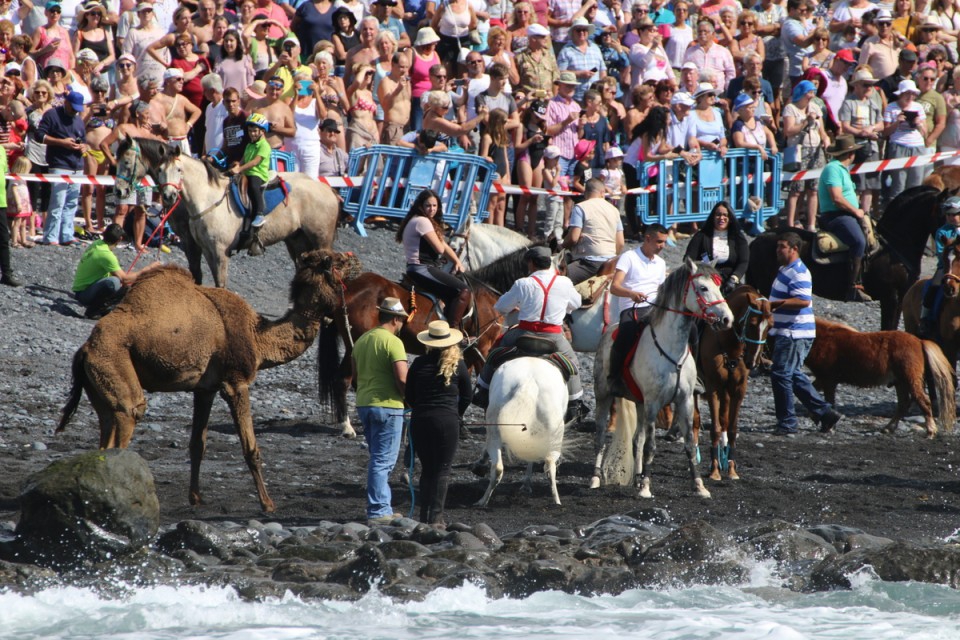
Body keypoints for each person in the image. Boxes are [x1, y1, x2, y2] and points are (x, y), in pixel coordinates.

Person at [473, 245, 586, 422]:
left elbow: (501, 307)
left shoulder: (523, 283)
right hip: (554, 337)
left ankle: (482, 389)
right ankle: (575, 403)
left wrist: (517, 305)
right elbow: (577, 303)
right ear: (549, 263)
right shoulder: (564, 282)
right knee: (573, 363)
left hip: (523, 333)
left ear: (531, 264)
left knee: (494, 352)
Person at [768, 231, 844, 435]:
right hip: (788, 331)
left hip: (794, 332)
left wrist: (773, 305)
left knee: (781, 374)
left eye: (782, 246)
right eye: (778, 246)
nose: (778, 250)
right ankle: (825, 413)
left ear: (794, 249)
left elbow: (803, 300)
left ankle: (787, 422)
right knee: (791, 374)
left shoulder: (799, 272)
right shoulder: (786, 269)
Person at [405, 320, 472, 529]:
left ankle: (423, 517)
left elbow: (409, 396)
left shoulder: (417, 364)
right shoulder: (458, 365)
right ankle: (436, 519)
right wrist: (456, 414)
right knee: (442, 470)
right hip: (446, 422)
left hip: (420, 420)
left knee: (427, 470)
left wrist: (422, 408)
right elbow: (468, 396)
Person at [352, 296, 408, 527]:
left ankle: (382, 506)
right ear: (395, 319)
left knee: (378, 458)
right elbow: (402, 379)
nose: (403, 324)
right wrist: (411, 399)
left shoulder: (362, 340)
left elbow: (355, 378)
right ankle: (378, 511)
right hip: (388, 405)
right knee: (383, 461)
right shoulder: (393, 342)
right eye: (402, 320)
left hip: (365, 403)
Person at [606, 223, 668, 397]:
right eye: (659, 242)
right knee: (627, 331)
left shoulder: (661, 263)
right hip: (633, 306)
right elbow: (614, 287)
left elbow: (661, 289)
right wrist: (631, 294)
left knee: (689, 327)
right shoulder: (629, 257)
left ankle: (693, 375)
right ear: (648, 239)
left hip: (655, 306)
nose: (662, 246)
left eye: (664, 242)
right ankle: (614, 377)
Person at [395, 189, 470, 326]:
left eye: (435, 206)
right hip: (422, 268)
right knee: (463, 290)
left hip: (417, 268)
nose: (432, 209)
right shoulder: (423, 221)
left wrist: (457, 262)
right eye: (428, 205)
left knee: (450, 294)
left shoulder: (418, 219)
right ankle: (454, 331)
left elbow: (444, 245)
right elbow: (440, 248)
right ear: (421, 206)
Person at [71, 223, 161, 319]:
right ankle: (93, 311)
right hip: (84, 294)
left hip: (82, 289)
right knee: (114, 282)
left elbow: (123, 277)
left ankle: (104, 308)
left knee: (121, 284)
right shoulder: (106, 254)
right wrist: (148, 269)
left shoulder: (97, 243)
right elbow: (124, 279)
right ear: (120, 239)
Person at [38, 90, 86, 246]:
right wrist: (62, 142)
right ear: (66, 102)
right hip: (59, 165)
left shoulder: (79, 121)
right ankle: (50, 236)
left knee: (71, 203)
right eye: (73, 108)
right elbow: (39, 135)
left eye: (78, 109)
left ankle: (66, 234)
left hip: (77, 166)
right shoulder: (52, 115)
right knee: (57, 202)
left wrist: (84, 147)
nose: (75, 112)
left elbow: (84, 140)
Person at [562, 177, 624, 284]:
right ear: (602, 192)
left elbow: (573, 238)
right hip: (611, 262)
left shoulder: (580, 208)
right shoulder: (614, 210)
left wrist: (562, 245)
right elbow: (621, 243)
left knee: (557, 279)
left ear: (586, 193)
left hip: (589, 262)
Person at [683, 201, 750, 294]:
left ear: (730, 218)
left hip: (730, 282)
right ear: (713, 217)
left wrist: (734, 278)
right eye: (718, 215)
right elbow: (688, 258)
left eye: (725, 215)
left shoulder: (738, 238)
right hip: (706, 281)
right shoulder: (701, 236)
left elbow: (743, 262)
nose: (721, 218)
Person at [920, 196, 960, 336]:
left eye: (954, 214)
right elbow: (940, 251)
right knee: (934, 286)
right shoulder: (942, 232)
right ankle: (926, 317)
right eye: (948, 215)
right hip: (946, 266)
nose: (950, 217)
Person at [229, 112, 272, 229]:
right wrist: (238, 164)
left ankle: (259, 214)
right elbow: (243, 159)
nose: (251, 134)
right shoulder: (249, 145)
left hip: (257, 173)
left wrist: (240, 169)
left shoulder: (264, 145)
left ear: (262, 131)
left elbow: (255, 162)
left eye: (254, 131)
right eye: (249, 131)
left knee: (253, 186)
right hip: (246, 172)